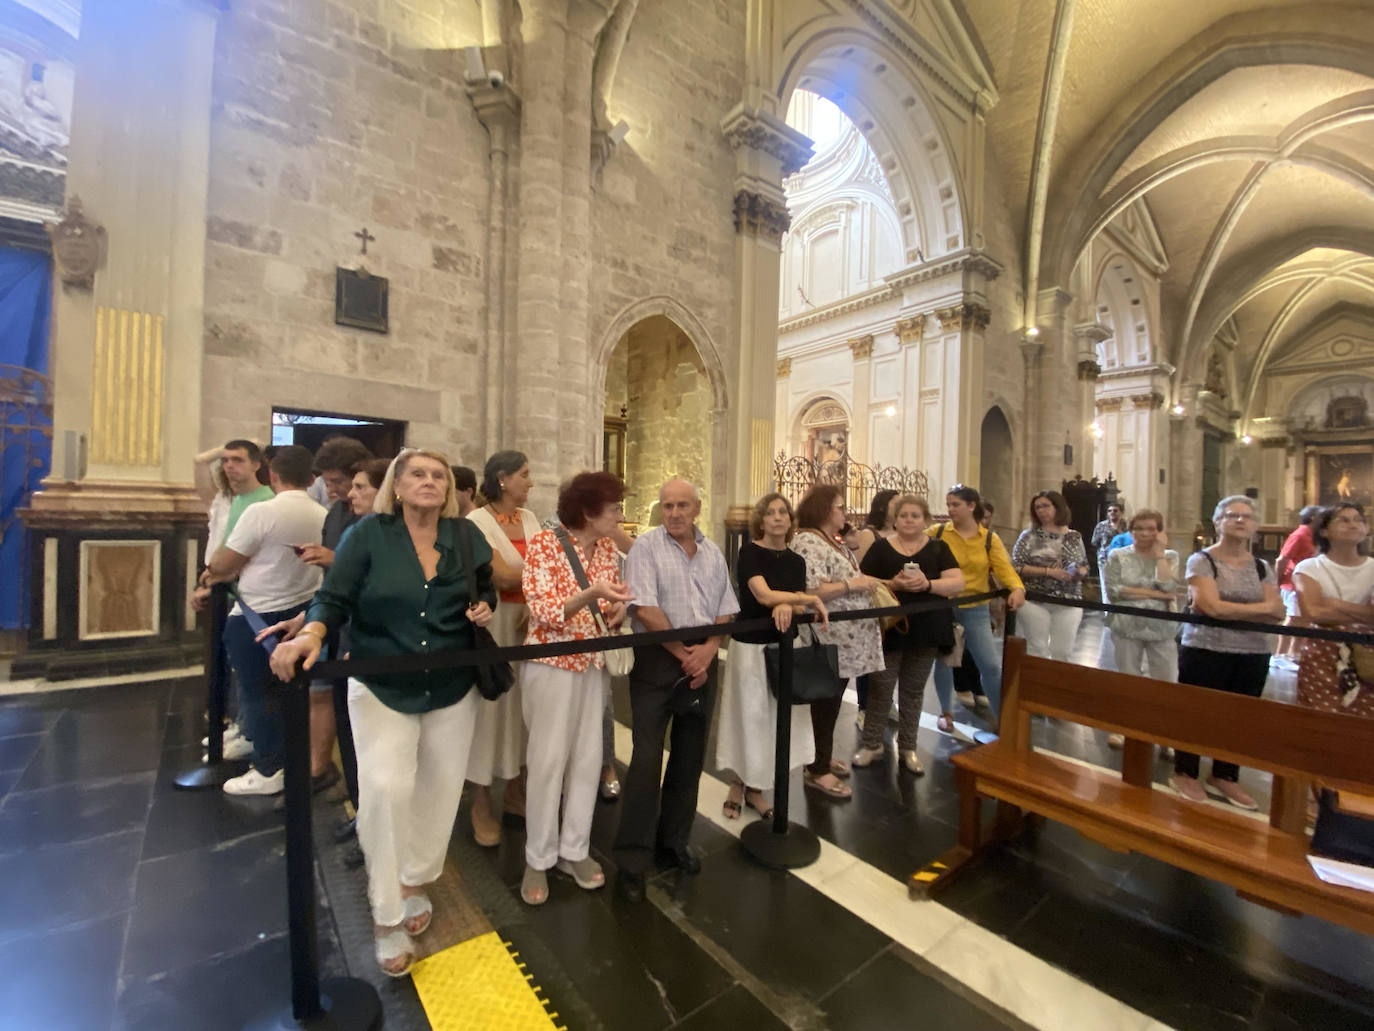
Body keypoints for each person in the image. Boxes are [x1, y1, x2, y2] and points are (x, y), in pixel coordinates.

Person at [267, 448, 495, 978]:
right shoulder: (366, 536)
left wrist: (485, 607)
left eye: (439, 475)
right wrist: (313, 634)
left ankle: (415, 878)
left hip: (451, 684)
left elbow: (483, 591)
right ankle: (385, 910)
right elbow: (334, 598)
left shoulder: (467, 538)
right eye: (418, 473)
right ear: (397, 483)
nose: (430, 481)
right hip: (380, 683)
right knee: (387, 788)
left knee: (439, 789)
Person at [613, 479, 738, 903]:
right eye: (667, 506)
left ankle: (674, 841)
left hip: (702, 660)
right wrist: (686, 654)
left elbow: (726, 607)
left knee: (689, 757)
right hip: (658, 663)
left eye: (682, 505)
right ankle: (632, 859)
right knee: (647, 759)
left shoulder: (714, 551)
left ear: (697, 508)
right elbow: (644, 608)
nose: (675, 513)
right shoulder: (645, 548)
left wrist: (707, 651)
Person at [518, 472, 634, 905]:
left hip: (592, 663)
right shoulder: (546, 544)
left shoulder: (606, 548)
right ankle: (538, 856)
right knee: (547, 759)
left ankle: (574, 849)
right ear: (588, 512)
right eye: (613, 509)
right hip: (551, 663)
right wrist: (592, 595)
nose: (620, 517)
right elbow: (545, 611)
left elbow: (606, 602)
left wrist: (618, 607)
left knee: (589, 757)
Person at [206, 445, 327, 796]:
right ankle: (266, 746)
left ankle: (269, 767)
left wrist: (217, 571)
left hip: (257, 613)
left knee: (256, 691)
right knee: (286, 694)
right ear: (311, 479)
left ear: (271, 475)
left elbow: (225, 565)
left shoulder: (262, 512)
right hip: (301, 613)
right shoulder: (322, 514)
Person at [716, 493, 828, 822]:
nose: (777, 517)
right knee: (748, 716)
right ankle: (738, 783)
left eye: (783, 512)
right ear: (761, 521)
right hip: (750, 646)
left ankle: (758, 788)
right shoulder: (749, 552)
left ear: (790, 520)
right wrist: (802, 599)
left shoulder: (796, 561)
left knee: (775, 719)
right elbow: (762, 594)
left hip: (784, 646)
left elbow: (783, 603)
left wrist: (787, 604)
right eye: (771, 513)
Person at [1172, 495, 1283, 809]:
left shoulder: (1262, 567)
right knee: (1197, 712)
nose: (1240, 520)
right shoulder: (1202, 561)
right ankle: (1186, 771)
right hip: (1206, 647)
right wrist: (1255, 609)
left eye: (1247, 516)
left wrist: (1229, 608)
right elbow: (1209, 606)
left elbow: (1277, 611)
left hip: (1253, 651)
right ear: (1218, 522)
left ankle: (1225, 775)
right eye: (1232, 515)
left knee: (1241, 718)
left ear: (1255, 526)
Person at [855, 495, 962, 773]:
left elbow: (957, 582)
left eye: (915, 515)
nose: (909, 520)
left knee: (913, 692)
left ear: (925, 519)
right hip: (890, 628)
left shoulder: (938, 548)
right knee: (880, 688)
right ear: (895, 519)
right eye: (904, 515)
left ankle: (908, 748)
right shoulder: (881, 548)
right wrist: (894, 582)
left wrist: (927, 584)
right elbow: (863, 580)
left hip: (926, 629)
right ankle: (871, 744)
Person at [790, 484, 885, 799]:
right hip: (829, 638)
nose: (844, 513)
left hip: (846, 640)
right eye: (840, 507)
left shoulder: (832, 540)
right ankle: (817, 769)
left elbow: (839, 578)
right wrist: (850, 583)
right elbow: (811, 588)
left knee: (830, 701)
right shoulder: (806, 540)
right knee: (825, 702)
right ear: (823, 510)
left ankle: (821, 756)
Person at [463, 451, 536, 847]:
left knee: (524, 710)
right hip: (497, 622)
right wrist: (539, 576)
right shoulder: (477, 522)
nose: (531, 482)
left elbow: (531, 572)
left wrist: (535, 587)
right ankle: (480, 801)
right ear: (503, 479)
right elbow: (501, 574)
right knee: (490, 709)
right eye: (525, 475)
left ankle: (515, 790)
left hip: (531, 624)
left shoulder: (529, 518)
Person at [293, 437, 372, 796]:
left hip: (367, 630)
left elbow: (374, 569)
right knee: (342, 711)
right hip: (341, 626)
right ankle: (351, 790)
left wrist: (334, 559)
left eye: (341, 482)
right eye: (329, 483)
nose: (336, 490)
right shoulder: (337, 513)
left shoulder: (382, 522)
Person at [930, 485, 1025, 734]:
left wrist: (1016, 588)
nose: (950, 510)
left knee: (991, 666)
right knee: (943, 663)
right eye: (948, 504)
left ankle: (1003, 716)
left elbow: (1004, 569)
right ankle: (945, 713)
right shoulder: (938, 532)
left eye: (956, 505)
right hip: (944, 608)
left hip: (975, 609)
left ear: (971, 506)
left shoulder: (988, 539)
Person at [1103, 509, 1182, 747]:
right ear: (1131, 530)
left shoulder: (1170, 556)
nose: (1144, 533)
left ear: (1160, 532)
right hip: (1127, 624)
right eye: (1139, 528)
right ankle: (1125, 727)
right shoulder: (1118, 555)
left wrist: (1159, 556)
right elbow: (1115, 590)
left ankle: (1164, 733)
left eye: (1151, 529)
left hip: (1161, 626)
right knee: (1128, 676)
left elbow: (1169, 588)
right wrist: (1155, 593)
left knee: (1166, 679)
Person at [1294, 503, 1374, 718]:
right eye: (1344, 520)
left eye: (1358, 520)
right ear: (1324, 531)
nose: (1352, 525)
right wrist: (1365, 612)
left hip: (1368, 656)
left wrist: (1336, 604)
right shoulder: (1310, 568)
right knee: (1321, 721)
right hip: (1323, 654)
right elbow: (1314, 613)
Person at [1012, 490, 1088, 663]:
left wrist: (1078, 572)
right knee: (1036, 648)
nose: (1041, 510)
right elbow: (1016, 566)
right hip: (1035, 599)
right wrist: (1048, 572)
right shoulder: (1029, 536)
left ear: (1058, 507)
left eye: (1046, 506)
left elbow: (1079, 564)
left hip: (1068, 599)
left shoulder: (1073, 536)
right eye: (1037, 507)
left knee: (1062, 651)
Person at [1275, 506, 1323, 671]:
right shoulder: (1299, 535)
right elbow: (1282, 559)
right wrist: (1277, 580)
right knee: (1293, 618)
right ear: (1312, 518)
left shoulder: (1312, 536)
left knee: (1304, 620)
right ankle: (1280, 655)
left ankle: (1293, 653)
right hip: (1293, 582)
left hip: (1305, 583)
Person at [853, 489, 898, 564]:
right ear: (882, 507)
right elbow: (859, 566)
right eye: (897, 504)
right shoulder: (868, 534)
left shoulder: (900, 532)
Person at [1091, 502, 1127, 578]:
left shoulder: (1126, 525)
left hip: (1122, 559)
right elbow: (1095, 542)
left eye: (1115, 510)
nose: (1112, 513)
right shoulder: (1101, 525)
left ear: (1121, 512)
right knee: (1105, 585)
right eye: (1109, 511)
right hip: (1105, 559)